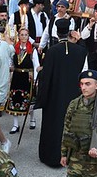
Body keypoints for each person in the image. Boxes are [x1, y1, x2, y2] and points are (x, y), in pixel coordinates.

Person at [35, 18, 87, 167]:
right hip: (72, 95)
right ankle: (70, 157)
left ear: (57, 33)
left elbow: (46, 77)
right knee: (69, 125)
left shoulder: (52, 51)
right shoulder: (80, 51)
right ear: (69, 32)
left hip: (54, 96)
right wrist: (80, 39)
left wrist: (42, 98)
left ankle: (51, 156)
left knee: (53, 125)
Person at [5, 27, 39, 133]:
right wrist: (9, 69)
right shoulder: (14, 49)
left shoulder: (32, 50)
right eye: (22, 34)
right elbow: (10, 62)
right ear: (18, 36)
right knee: (15, 99)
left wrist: (35, 79)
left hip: (27, 76)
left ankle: (32, 119)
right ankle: (15, 124)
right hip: (16, 75)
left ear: (28, 36)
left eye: (26, 35)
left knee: (29, 98)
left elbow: (36, 65)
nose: (24, 37)